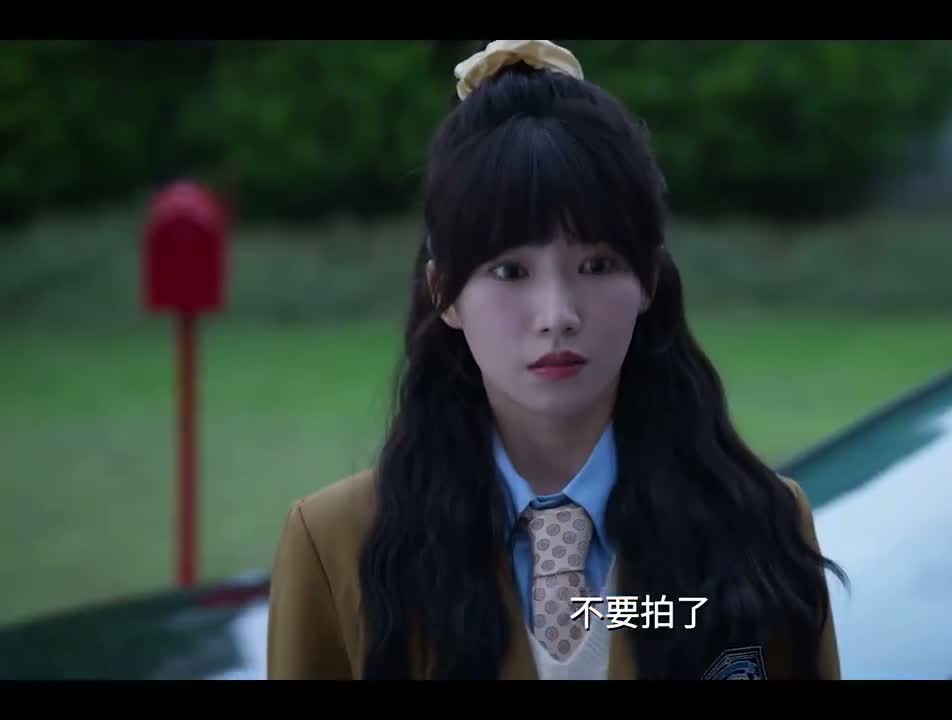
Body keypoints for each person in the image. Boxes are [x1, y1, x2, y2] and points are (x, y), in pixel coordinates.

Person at [265, 39, 847, 681]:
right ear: (444, 293)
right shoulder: (336, 543)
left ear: (649, 279)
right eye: (509, 271)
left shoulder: (759, 522)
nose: (558, 314)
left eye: (596, 265)